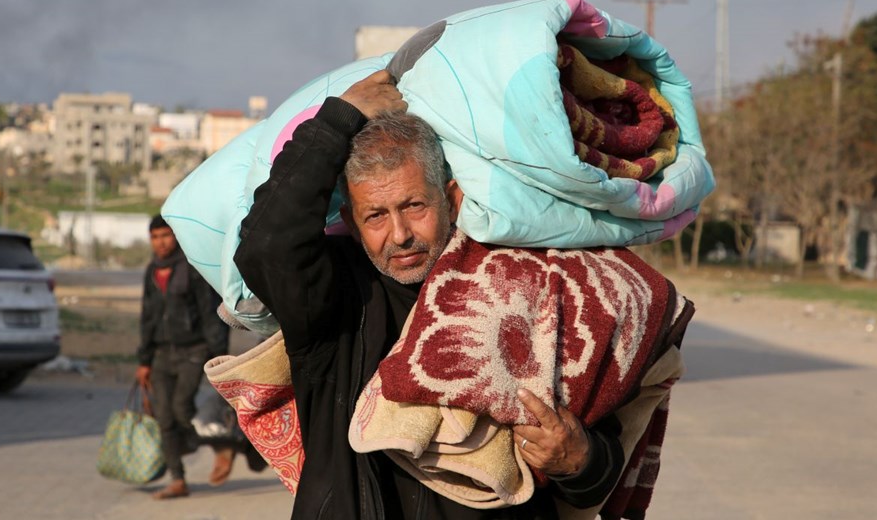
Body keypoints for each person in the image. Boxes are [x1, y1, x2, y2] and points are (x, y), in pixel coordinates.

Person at [234, 70, 633, 519]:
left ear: (452, 199)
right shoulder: (335, 298)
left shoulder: (526, 286)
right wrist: (338, 121)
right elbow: (267, 245)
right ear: (350, 218)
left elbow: (601, 463)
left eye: (414, 206)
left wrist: (578, 459)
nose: (400, 234)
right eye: (375, 216)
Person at [135, 216, 233, 500]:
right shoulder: (152, 271)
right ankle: (178, 479)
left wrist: (219, 356)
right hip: (161, 355)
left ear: (175, 236)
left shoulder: (191, 269)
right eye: (155, 237)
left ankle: (220, 444)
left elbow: (210, 313)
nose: (160, 242)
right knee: (164, 417)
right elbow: (147, 318)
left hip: (193, 350)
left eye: (165, 235)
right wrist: (144, 360)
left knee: (181, 407)